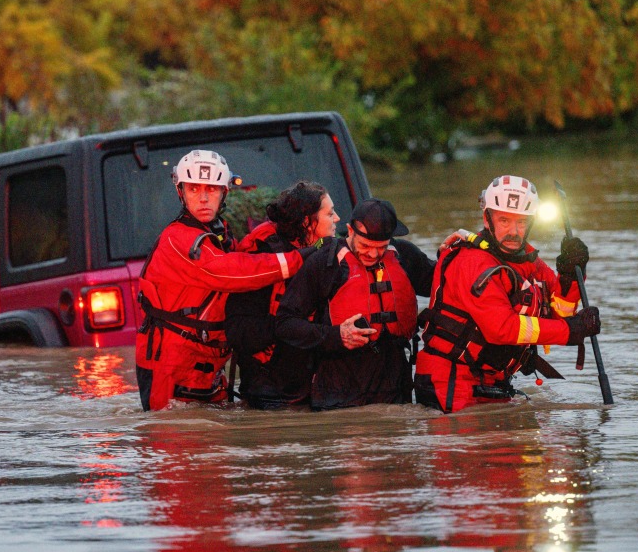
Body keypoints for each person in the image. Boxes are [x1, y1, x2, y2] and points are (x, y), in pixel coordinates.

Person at [135, 149, 314, 412]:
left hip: (207, 366)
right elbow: (228, 273)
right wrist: (297, 259)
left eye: (212, 189)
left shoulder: (219, 233)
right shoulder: (177, 239)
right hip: (171, 368)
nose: (203, 198)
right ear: (181, 192)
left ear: (225, 193)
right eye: (194, 189)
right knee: (173, 445)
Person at [414, 175, 601, 413]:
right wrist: (570, 331)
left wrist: (570, 276)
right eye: (504, 220)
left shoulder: (528, 261)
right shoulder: (473, 262)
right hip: (452, 382)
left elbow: (561, 312)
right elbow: (502, 328)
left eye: (521, 222)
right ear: (487, 218)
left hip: (491, 381)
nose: (513, 231)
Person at [274, 198, 436, 411]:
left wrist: (456, 251)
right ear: (350, 230)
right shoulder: (324, 263)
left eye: (381, 247)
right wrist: (335, 335)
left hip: (396, 394)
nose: (373, 254)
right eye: (365, 245)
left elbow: (447, 284)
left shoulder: (404, 256)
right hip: (338, 396)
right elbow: (285, 323)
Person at [224, 181, 340, 409]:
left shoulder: (328, 252)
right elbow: (239, 333)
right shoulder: (263, 257)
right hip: (269, 394)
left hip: (310, 388)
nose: (336, 218)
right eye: (330, 213)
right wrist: (290, 327)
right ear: (307, 221)